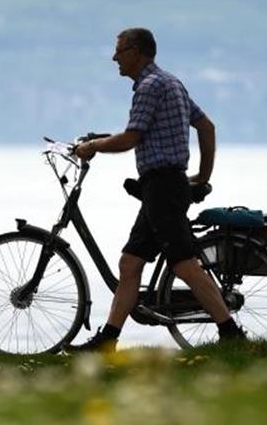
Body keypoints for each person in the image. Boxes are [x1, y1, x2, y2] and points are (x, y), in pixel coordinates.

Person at [70, 28, 244, 352]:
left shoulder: (150, 87)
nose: (114, 57)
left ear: (137, 52)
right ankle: (108, 340)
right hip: (161, 185)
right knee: (130, 263)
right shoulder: (170, 83)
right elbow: (206, 126)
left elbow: (130, 138)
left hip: (163, 186)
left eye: (120, 51)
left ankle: (230, 331)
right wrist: (202, 176)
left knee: (183, 263)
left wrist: (92, 146)